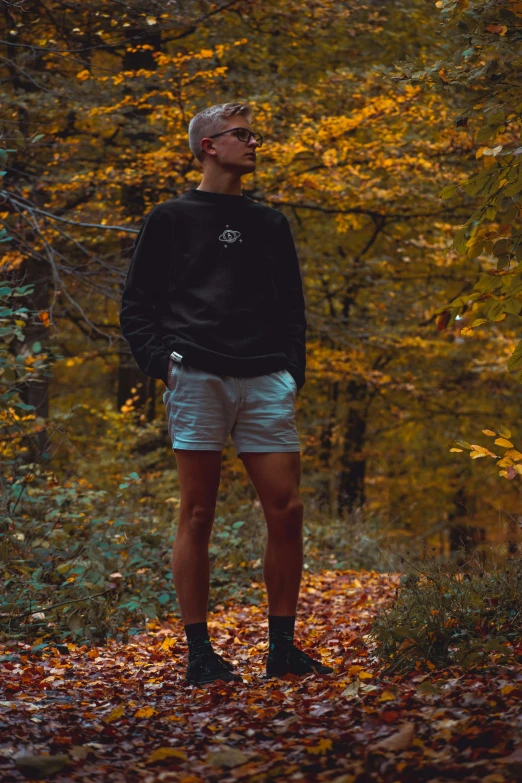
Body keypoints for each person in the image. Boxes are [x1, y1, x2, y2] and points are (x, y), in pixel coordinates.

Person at [120, 101, 334, 686]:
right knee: (196, 514)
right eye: (242, 135)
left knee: (287, 511)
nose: (254, 143)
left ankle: (282, 650)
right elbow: (137, 306)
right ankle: (199, 656)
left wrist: (293, 370)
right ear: (208, 145)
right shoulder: (170, 218)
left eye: (255, 134)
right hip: (198, 375)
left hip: (266, 375)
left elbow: (293, 306)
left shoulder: (271, 223)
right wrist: (166, 366)